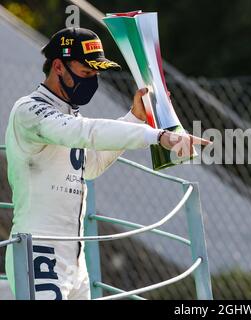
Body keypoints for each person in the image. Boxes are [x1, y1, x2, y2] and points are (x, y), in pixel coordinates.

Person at [4, 27, 210, 300]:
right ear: (58, 66)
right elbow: (87, 132)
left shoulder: (70, 116)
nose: (92, 80)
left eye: (96, 74)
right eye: (86, 72)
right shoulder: (29, 110)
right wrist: (157, 136)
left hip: (76, 260)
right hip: (39, 252)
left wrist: (135, 118)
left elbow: (91, 165)